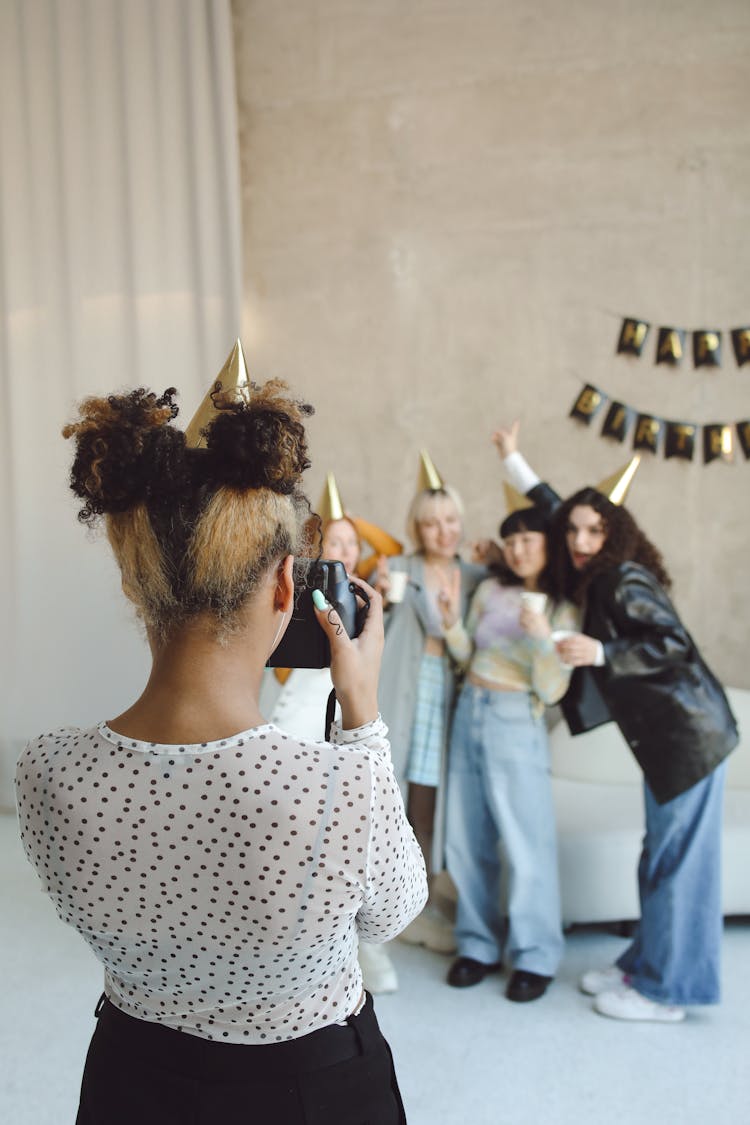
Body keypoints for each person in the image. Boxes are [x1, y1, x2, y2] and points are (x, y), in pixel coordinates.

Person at [15, 368, 427, 1124]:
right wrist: (362, 714)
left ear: (136, 586)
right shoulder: (340, 785)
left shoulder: (47, 772)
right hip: (315, 1086)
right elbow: (393, 913)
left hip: (131, 1080)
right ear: (285, 588)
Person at [494, 422, 738, 1023]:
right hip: (669, 742)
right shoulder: (597, 576)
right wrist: (514, 460)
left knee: (676, 863)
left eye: (592, 530)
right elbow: (556, 511)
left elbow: (674, 646)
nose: (577, 539)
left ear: (615, 535)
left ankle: (666, 992)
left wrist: (601, 653)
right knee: (658, 856)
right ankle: (645, 963)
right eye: (573, 530)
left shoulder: (623, 578)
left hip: (691, 740)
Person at [438, 504, 578, 1002]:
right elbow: (467, 655)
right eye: (511, 540)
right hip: (469, 709)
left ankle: (535, 956)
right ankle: (476, 945)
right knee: (465, 835)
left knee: (527, 843)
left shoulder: (563, 606)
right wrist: (453, 622)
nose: (518, 550)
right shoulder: (492, 589)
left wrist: (543, 641)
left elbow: (555, 688)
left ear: (548, 543)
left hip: (517, 719)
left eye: (528, 539)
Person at [268, 473, 401, 995]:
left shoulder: (369, 603)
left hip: (351, 721)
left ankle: (371, 955)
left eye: (353, 543)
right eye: (334, 542)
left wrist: (353, 536)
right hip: (299, 716)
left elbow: (393, 547)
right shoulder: (299, 598)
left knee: (356, 835)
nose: (345, 549)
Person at [374, 452, 485, 953]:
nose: (444, 531)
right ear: (417, 527)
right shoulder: (396, 568)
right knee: (390, 793)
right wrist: (377, 597)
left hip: (451, 696)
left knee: (434, 799)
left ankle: (424, 898)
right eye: (432, 523)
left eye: (451, 521)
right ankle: (388, 904)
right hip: (404, 689)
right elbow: (367, 628)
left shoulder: (479, 576)